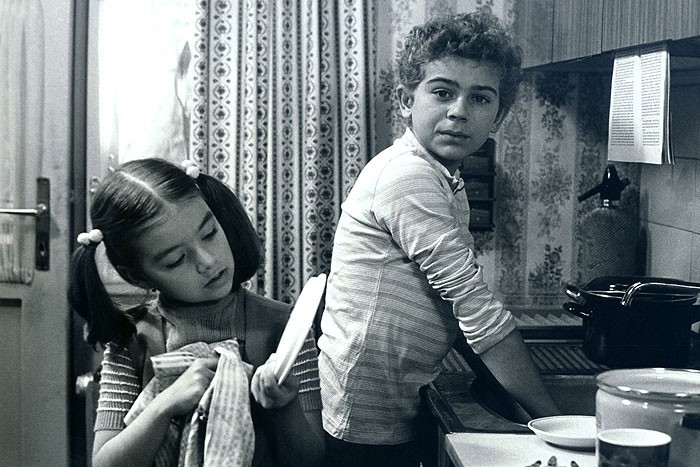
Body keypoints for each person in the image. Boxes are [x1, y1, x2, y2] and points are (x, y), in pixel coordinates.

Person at [318, 11, 560, 467]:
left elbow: (461, 311)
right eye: (443, 92)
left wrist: (517, 399)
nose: (459, 111)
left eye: (480, 98)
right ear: (405, 99)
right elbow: (476, 310)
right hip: (368, 411)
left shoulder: (441, 177)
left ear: (498, 117)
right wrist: (556, 421)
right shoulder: (408, 176)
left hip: (386, 398)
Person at [69, 158, 324, 467]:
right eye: (176, 260)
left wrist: (286, 406)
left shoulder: (286, 327)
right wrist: (165, 404)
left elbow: (311, 460)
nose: (208, 261)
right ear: (138, 277)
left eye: (209, 233)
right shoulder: (131, 339)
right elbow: (105, 462)